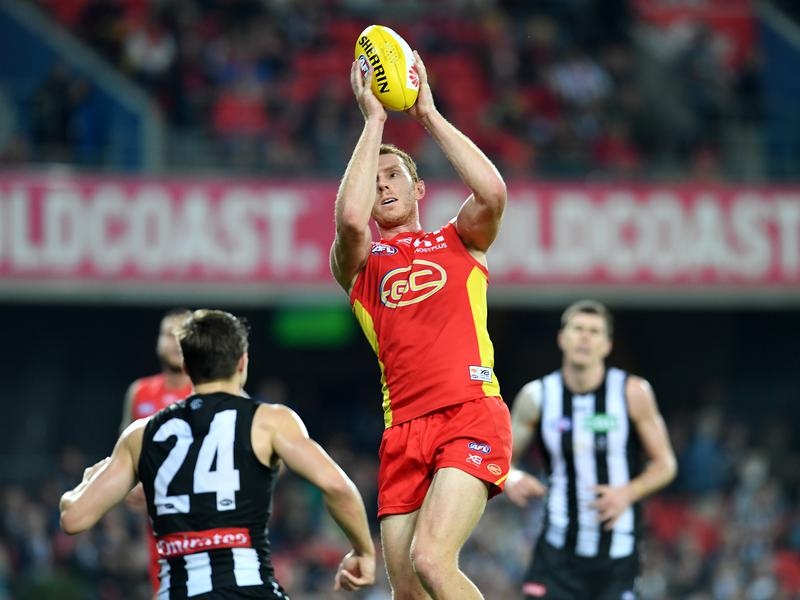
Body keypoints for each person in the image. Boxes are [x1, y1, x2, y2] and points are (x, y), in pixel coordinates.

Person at [330, 49, 511, 600]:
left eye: (394, 176)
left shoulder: (459, 240)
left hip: (469, 412)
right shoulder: (360, 266)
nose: (384, 186)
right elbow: (349, 221)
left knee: (431, 559)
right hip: (403, 430)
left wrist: (427, 114)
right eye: (374, 179)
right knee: (408, 592)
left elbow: (493, 193)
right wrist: (374, 120)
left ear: (419, 189)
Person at [61, 309, 376, 598]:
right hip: (248, 588)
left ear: (187, 366)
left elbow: (74, 518)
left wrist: (87, 483)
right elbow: (336, 486)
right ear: (242, 362)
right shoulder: (269, 422)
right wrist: (363, 552)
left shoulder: (141, 434)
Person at [504, 300, 678, 599]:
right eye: (578, 329)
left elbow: (665, 464)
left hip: (616, 555)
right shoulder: (537, 396)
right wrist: (511, 477)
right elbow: (501, 459)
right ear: (562, 338)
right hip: (555, 552)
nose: (585, 337)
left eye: (594, 331)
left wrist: (628, 492)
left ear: (607, 345)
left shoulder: (632, 393)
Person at [119, 307, 195, 594]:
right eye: (168, 335)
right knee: (163, 587)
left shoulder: (212, 393)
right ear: (157, 342)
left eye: (183, 336)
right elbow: (123, 452)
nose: (176, 343)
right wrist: (129, 484)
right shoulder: (139, 392)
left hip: (202, 516)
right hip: (157, 518)